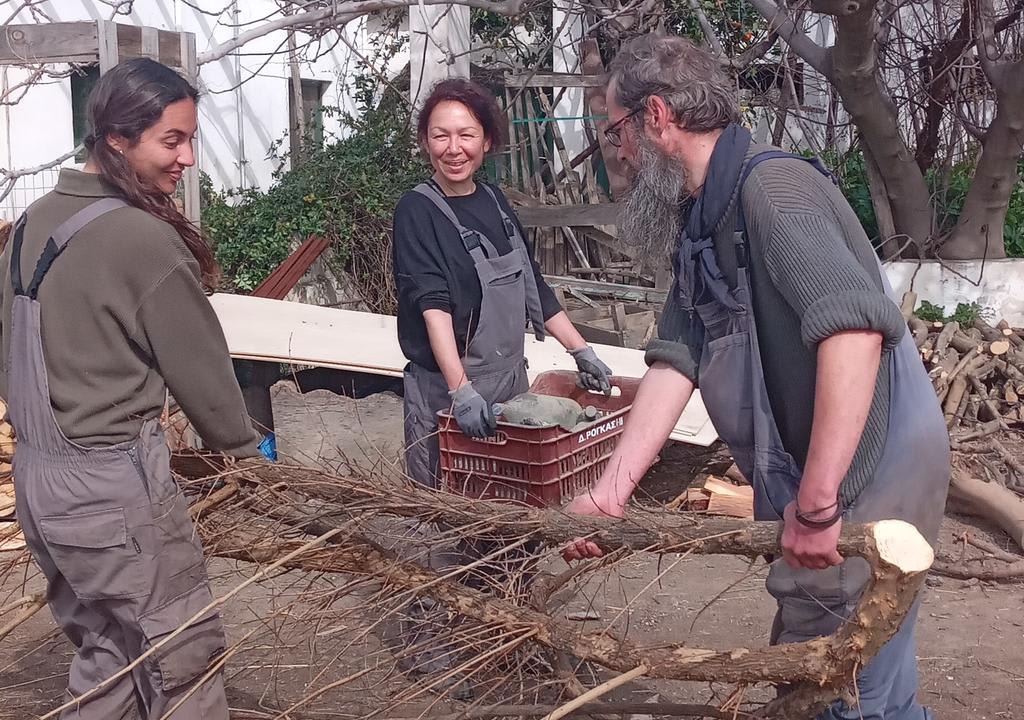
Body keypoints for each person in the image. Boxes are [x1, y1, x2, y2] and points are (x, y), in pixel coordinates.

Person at [563, 34, 949, 719]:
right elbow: (677, 357)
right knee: (857, 657)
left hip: (875, 455)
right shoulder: (706, 221)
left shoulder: (773, 190)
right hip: (830, 461)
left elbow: (853, 332)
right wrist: (609, 493)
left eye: (615, 131)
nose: (617, 154)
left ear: (656, 117)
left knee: (838, 673)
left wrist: (821, 501)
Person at [0, 58, 266, 719]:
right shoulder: (140, 237)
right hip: (111, 487)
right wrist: (244, 450)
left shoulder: (28, 223)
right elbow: (200, 368)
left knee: (112, 647)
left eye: (190, 138)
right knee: (185, 653)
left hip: (39, 483)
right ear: (118, 138)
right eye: (171, 140)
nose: (188, 157)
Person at [390, 78, 612, 697]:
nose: (452, 147)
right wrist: (461, 391)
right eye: (440, 135)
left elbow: (533, 286)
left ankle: (501, 638)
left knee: (508, 519)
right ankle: (439, 653)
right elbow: (432, 305)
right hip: (447, 393)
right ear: (426, 142)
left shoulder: (492, 200)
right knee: (444, 521)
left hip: (509, 385)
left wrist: (580, 348)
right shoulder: (419, 211)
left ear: (487, 141)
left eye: (465, 134)